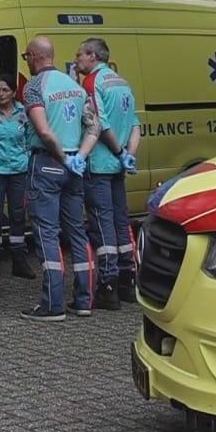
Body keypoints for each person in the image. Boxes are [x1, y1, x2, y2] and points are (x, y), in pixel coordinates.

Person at [21, 37, 94, 322]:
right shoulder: (74, 86)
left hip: (49, 163)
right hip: (76, 165)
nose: (25, 60)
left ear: (36, 57)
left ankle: (53, 304)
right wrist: (79, 157)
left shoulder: (34, 87)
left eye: (26, 55)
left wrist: (62, 157)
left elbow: (45, 132)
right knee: (77, 231)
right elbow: (93, 126)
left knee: (47, 233)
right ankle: (84, 300)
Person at [75, 39, 143, 308]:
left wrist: (117, 152)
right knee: (121, 221)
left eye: (79, 54)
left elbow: (98, 124)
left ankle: (109, 285)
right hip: (118, 166)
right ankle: (128, 278)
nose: (77, 59)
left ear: (92, 56)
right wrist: (129, 156)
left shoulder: (92, 83)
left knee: (102, 224)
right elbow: (136, 124)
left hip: (100, 163)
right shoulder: (121, 82)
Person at [0, 74, 38, 280]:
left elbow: (31, 138)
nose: (1, 94)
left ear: (14, 92)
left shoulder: (24, 113)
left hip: (19, 171)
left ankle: (19, 259)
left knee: (17, 215)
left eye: (5, 90)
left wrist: (28, 159)